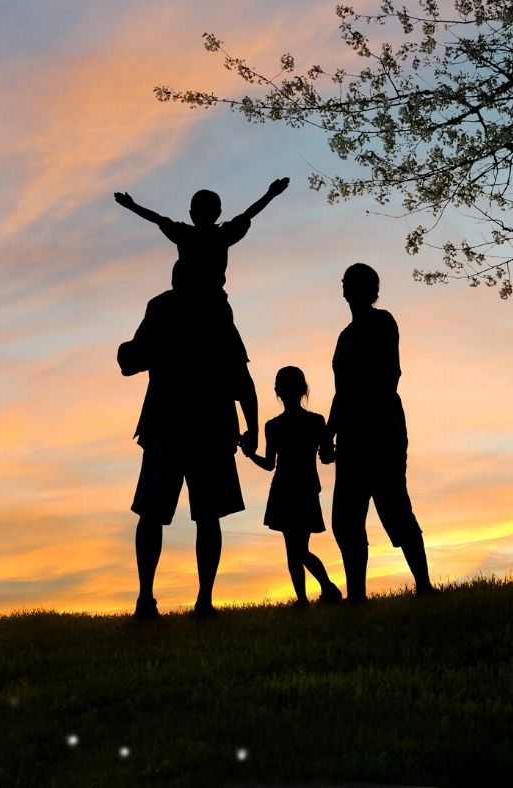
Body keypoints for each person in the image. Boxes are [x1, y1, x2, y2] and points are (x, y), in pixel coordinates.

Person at [119, 285, 259, 620]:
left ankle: (171, 600)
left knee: (170, 514)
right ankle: (182, 600)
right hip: (192, 425)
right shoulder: (207, 312)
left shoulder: (171, 308)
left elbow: (242, 377)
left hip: (187, 425)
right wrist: (252, 427)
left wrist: (253, 426)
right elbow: (243, 379)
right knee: (183, 515)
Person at [324, 263, 437, 603]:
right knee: (346, 517)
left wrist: (360, 413)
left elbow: (390, 374)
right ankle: (356, 594)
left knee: (394, 505)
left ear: (369, 290)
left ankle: (424, 585)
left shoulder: (383, 322)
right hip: (351, 432)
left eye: (354, 284)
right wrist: (330, 433)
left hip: (381, 425)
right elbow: (340, 391)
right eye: (346, 284)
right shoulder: (344, 336)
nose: (348, 290)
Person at [113, 177, 289, 375]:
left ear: (193, 214)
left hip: (206, 300)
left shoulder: (198, 233)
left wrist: (132, 206)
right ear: (217, 213)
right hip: (195, 299)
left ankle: (138, 354)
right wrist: (271, 194)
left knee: (157, 306)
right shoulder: (211, 234)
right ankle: (138, 355)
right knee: (156, 305)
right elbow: (248, 214)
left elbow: (158, 219)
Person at [244, 366, 342, 607]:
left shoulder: (274, 426)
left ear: (278, 391)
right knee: (298, 548)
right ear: (303, 389)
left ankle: (321, 591)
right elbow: (327, 455)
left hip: (286, 490)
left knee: (295, 549)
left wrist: (249, 455)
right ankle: (311, 595)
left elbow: (268, 464)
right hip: (304, 488)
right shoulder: (315, 421)